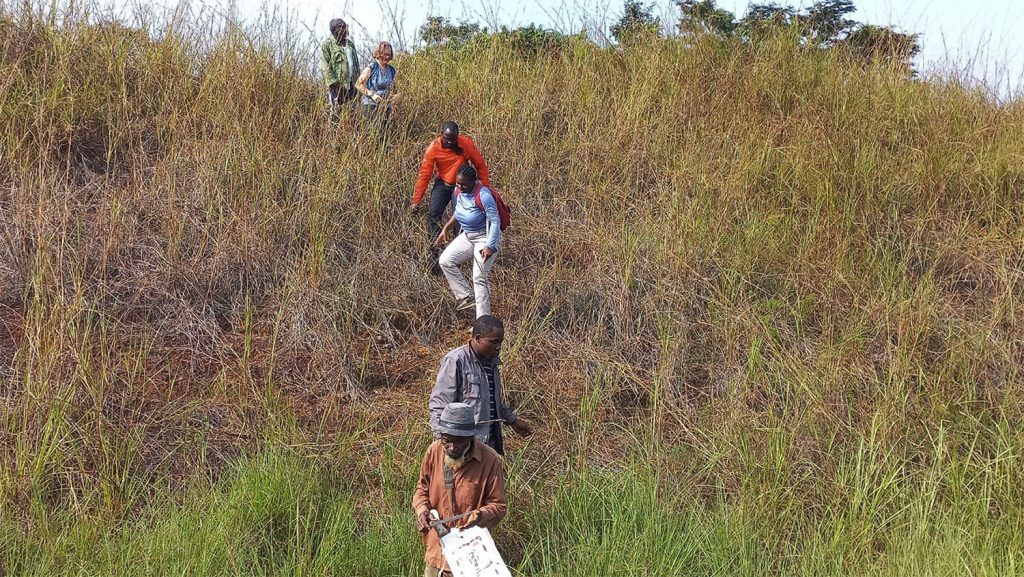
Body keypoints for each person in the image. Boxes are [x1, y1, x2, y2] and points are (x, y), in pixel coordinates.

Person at [413, 402, 508, 577]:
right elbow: (422, 488)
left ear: (471, 438)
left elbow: (499, 506)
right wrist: (422, 511)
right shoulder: (434, 451)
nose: (451, 448)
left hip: (469, 555)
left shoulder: (490, 460)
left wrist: (480, 516)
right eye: (447, 441)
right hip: (436, 551)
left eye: (459, 443)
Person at [428, 315, 533, 456]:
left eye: (500, 342)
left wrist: (513, 421)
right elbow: (439, 404)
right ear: (478, 338)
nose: (498, 347)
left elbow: (493, 403)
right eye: (494, 342)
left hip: (489, 444)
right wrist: (443, 442)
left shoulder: (492, 363)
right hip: (464, 447)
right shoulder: (456, 360)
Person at [410, 122, 491, 260]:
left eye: (453, 139)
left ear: (457, 137)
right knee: (434, 214)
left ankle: (458, 255)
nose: (449, 142)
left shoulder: (466, 144)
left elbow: (481, 166)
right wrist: (416, 201)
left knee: (460, 218)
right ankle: (435, 251)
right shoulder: (433, 148)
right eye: (447, 139)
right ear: (441, 135)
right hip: (443, 184)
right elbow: (424, 174)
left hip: (461, 186)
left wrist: (486, 190)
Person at [436, 164, 502, 317]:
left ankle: (483, 321)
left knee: (479, 278)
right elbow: (459, 213)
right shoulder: (458, 191)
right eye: (458, 183)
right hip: (468, 236)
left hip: (484, 238)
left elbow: (495, 221)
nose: (459, 186)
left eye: (464, 184)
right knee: (445, 260)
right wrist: (445, 228)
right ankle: (466, 296)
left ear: (474, 181)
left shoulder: (484, 195)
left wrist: (490, 246)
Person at [318, 18, 360, 117]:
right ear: (334, 30)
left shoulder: (350, 44)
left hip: (352, 85)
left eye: (345, 26)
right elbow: (325, 67)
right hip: (337, 87)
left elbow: (356, 65)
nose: (345, 28)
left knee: (353, 114)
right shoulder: (327, 45)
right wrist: (335, 85)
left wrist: (359, 84)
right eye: (341, 26)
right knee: (336, 114)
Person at [354, 41, 397, 122]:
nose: (387, 57)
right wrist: (372, 95)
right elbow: (358, 84)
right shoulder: (372, 67)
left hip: (386, 107)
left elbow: (395, 89)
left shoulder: (392, 70)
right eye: (385, 54)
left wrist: (395, 97)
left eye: (389, 55)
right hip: (370, 106)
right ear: (379, 53)